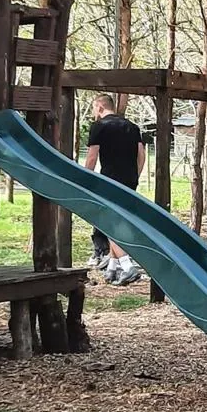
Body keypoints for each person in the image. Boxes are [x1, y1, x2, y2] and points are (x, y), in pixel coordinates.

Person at [83, 94, 148, 286]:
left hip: (109, 180)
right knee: (119, 220)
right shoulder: (132, 126)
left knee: (110, 223)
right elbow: (141, 154)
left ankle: (127, 266)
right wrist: (134, 175)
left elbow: (92, 157)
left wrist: (85, 179)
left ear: (99, 107)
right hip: (129, 180)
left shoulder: (99, 126)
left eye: (94, 109)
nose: (94, 113)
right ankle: (112, 267)